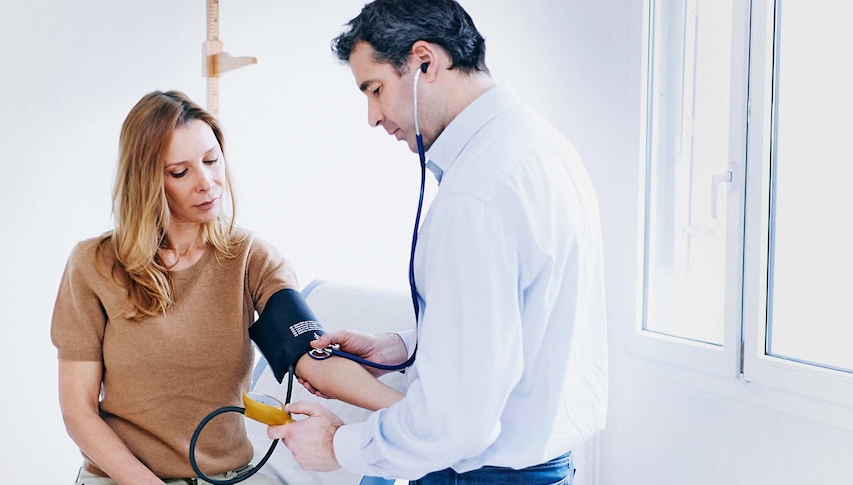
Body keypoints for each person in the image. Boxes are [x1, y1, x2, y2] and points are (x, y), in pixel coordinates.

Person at [267, 1, 609, 484]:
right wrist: (404, 347)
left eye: (376, 90)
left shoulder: (476, 194)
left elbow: (453, 423)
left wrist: (336, 445)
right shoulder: (541, 148)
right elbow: (522, 329)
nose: (372, 117)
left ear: (424, 61)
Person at [51, 90, 403, 485]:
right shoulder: (94, 264)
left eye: (211, 160)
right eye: (180, 172)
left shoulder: (251, 259)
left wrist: (413, 415)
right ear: (147, 180)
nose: (207, 183)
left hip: (227, 476)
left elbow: (311, 356)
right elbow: (78, 410)